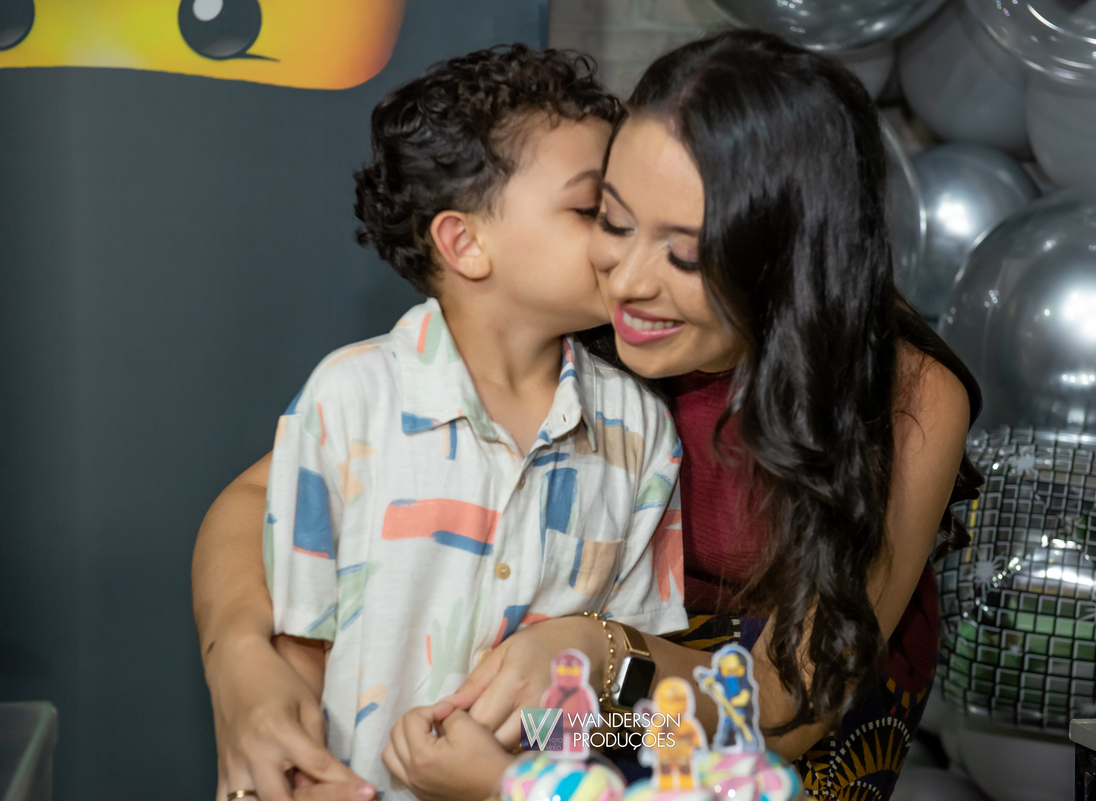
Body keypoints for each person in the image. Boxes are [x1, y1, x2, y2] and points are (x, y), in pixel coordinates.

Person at [192, 30, 982, 801]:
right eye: (610, 217)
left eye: (684, 253)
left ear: (783, 253)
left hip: (763, 722)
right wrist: (244, 672)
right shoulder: (567, 322)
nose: (626, 281)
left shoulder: (905, 393)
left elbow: (786, 711)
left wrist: (580, 680)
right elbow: (261, 501)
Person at [205, 44, 690, 801]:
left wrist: (515, 765)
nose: (621, 241)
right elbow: (299, 648)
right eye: (595, 211)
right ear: (465, 243)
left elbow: (637, 709)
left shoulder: (642, 433)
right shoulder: (348, 402)